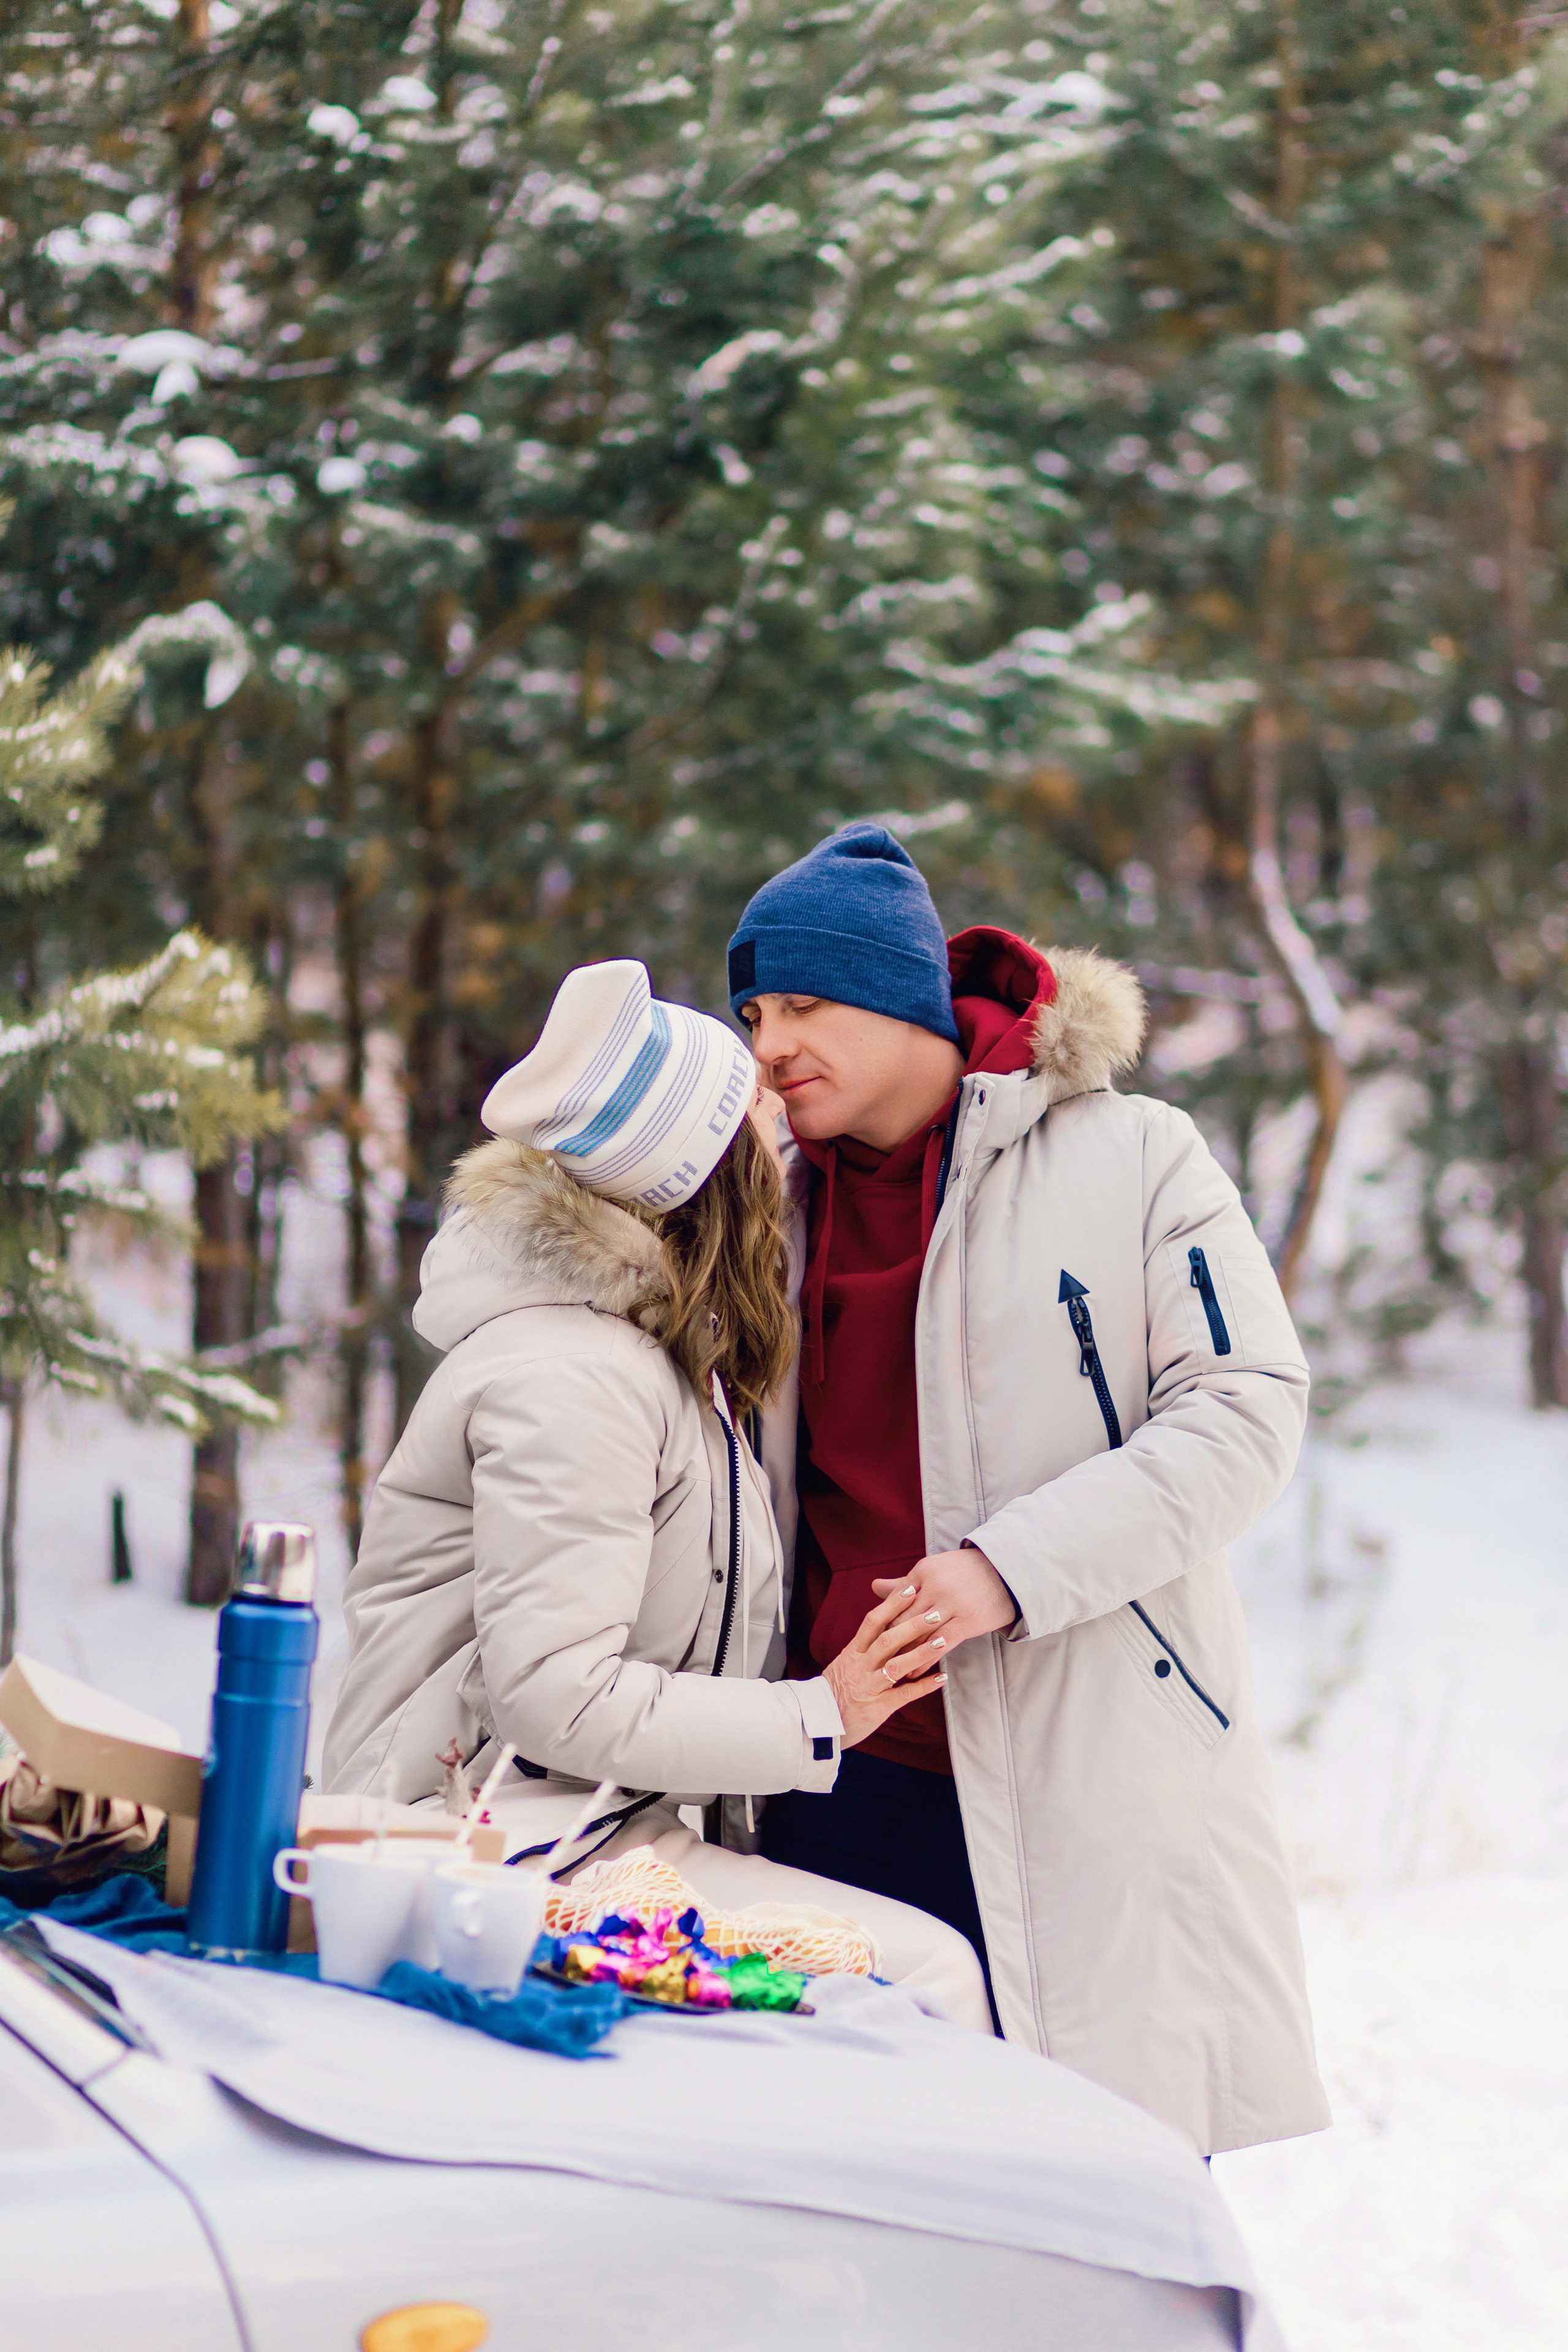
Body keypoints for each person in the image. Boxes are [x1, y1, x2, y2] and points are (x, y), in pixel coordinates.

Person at [725, 823, 1332, 2155]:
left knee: (1094, 2195)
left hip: (1081, 1766)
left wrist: (1006, 1571)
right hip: (830, 1781)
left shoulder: (1133, 1157)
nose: (768, 1044)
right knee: (867, 2199)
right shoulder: (759, 1205)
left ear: (898, 999)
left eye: (805, 1005)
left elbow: (1245, 1409)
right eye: (754, 1012)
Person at [322, 959, 992, 2030]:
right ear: (710, 1167)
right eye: (758, 1113)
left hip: (571, 1832)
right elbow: (558, 1695)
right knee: (926, 1979)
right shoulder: (574, 1376)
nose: (787, 1129)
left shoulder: (637, 1358)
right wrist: (828, 1712)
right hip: (488, 1854)